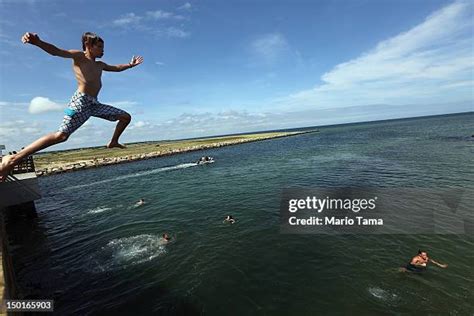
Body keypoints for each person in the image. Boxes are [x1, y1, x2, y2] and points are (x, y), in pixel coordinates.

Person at [0, 32, 144, 181]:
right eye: (100, 47)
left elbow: (117, 68)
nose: (103, 50)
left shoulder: (100, 65)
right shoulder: (79, 56)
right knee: (61, 136)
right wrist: (38, 42)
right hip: (80, 102)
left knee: (125, 117)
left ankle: (113, 142)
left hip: (94, 104)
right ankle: (13, 159)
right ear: (88, 45)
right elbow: (56, 51)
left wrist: (130, 65)